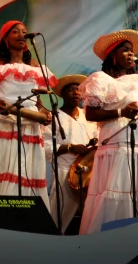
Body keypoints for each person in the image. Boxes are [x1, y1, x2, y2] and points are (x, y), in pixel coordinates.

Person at [77, 30, 138, 234]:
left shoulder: (135, 80)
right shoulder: (100, 79)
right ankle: (110, 238)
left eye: (132, 51)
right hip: (115, 142)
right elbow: (90, 113)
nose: (131, 55)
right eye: (125, 51)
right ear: (112, 55)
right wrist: (121, 111)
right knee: (115, 190)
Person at [0, 20, 54, 209]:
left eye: (24, 31)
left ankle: (26, 219)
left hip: (30, 128)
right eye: (15, 32)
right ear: (5, 39)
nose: (22, 35)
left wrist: (45, 113)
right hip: (2, 125)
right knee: (1, 170)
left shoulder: (35, 66)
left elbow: (37, 103)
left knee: (26, 175)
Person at [41, 74, 99, 234]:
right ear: (62, 94)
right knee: (57, 216)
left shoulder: (88, 115)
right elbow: (44, 147)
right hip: (64, 171)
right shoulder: (53, 117)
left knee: (92, 217)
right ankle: (50, 246)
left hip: (89, 173)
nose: (76, 93)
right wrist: (69, 148)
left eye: (78, 90)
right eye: (71, 90)